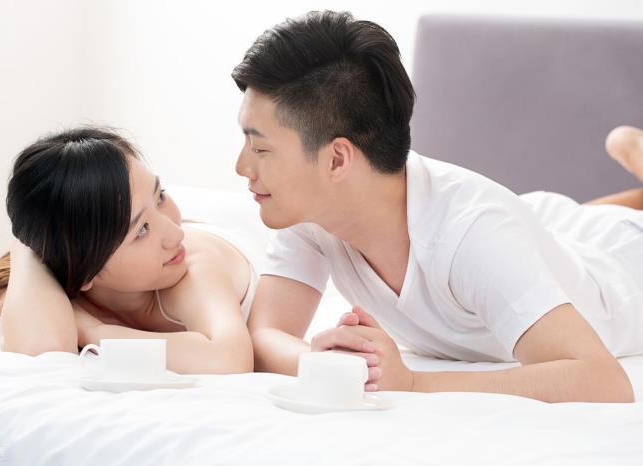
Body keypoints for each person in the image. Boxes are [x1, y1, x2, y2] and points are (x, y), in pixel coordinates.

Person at [233, 10, 643, 402]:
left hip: (626, 262)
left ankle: (631, 151)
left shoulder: (473, 235)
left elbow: (603, 381)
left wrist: (413, 383)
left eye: (260, 148)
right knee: (558, 231)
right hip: (549, 229)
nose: (241, 167)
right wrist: (324, 364)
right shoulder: (311, 211)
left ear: (337, 160)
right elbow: (265, 334)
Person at [0, 127, 256, 374]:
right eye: (141, 231)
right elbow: (43, 347)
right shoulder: (55, 270)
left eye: (160, 195)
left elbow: (230, 359)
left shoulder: (191, 260)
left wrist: (95, 332)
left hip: (236, 227)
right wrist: (26, 239)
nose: (175, 233)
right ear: (87, 270)